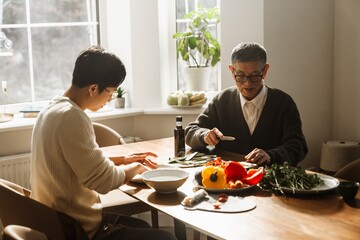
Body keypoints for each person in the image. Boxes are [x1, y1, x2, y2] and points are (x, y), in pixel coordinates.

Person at [30, 46, 176, 240]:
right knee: (167, 238)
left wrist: (122, 159)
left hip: (52, 219)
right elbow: (103, 181)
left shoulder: (52, 108)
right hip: (75, 229)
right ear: (93, 88)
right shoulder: (72, 117)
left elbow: (76, 159)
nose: (110, 99)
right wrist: (136, 167)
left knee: (142, 225)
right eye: (111, 92)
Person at [185, 42, 308, 166]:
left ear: (265, 71)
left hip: (270, 179)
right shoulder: (222, 100)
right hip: (229, 179)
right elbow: (190, 131)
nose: (247, 84)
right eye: (240, 75)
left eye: (254, 76)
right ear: (232, 71)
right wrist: (204, 135)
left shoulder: (283, 103)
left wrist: (271, 155)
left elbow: (298, 147)